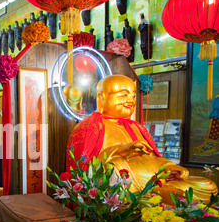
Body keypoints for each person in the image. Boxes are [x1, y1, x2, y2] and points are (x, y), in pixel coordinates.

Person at [66, 74, 218, 204]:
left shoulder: (135, 127)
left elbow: (152, 157)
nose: (130, 100)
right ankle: (155, 196)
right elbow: (86, 167)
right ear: (102, 97)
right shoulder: (90, 126)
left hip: (156, 179)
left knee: (208, 186)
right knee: (115, 166)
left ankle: (163, 193)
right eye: (124, 95)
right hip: (130, 187)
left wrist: (169, 166)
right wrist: (121, 151)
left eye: (133, 96)